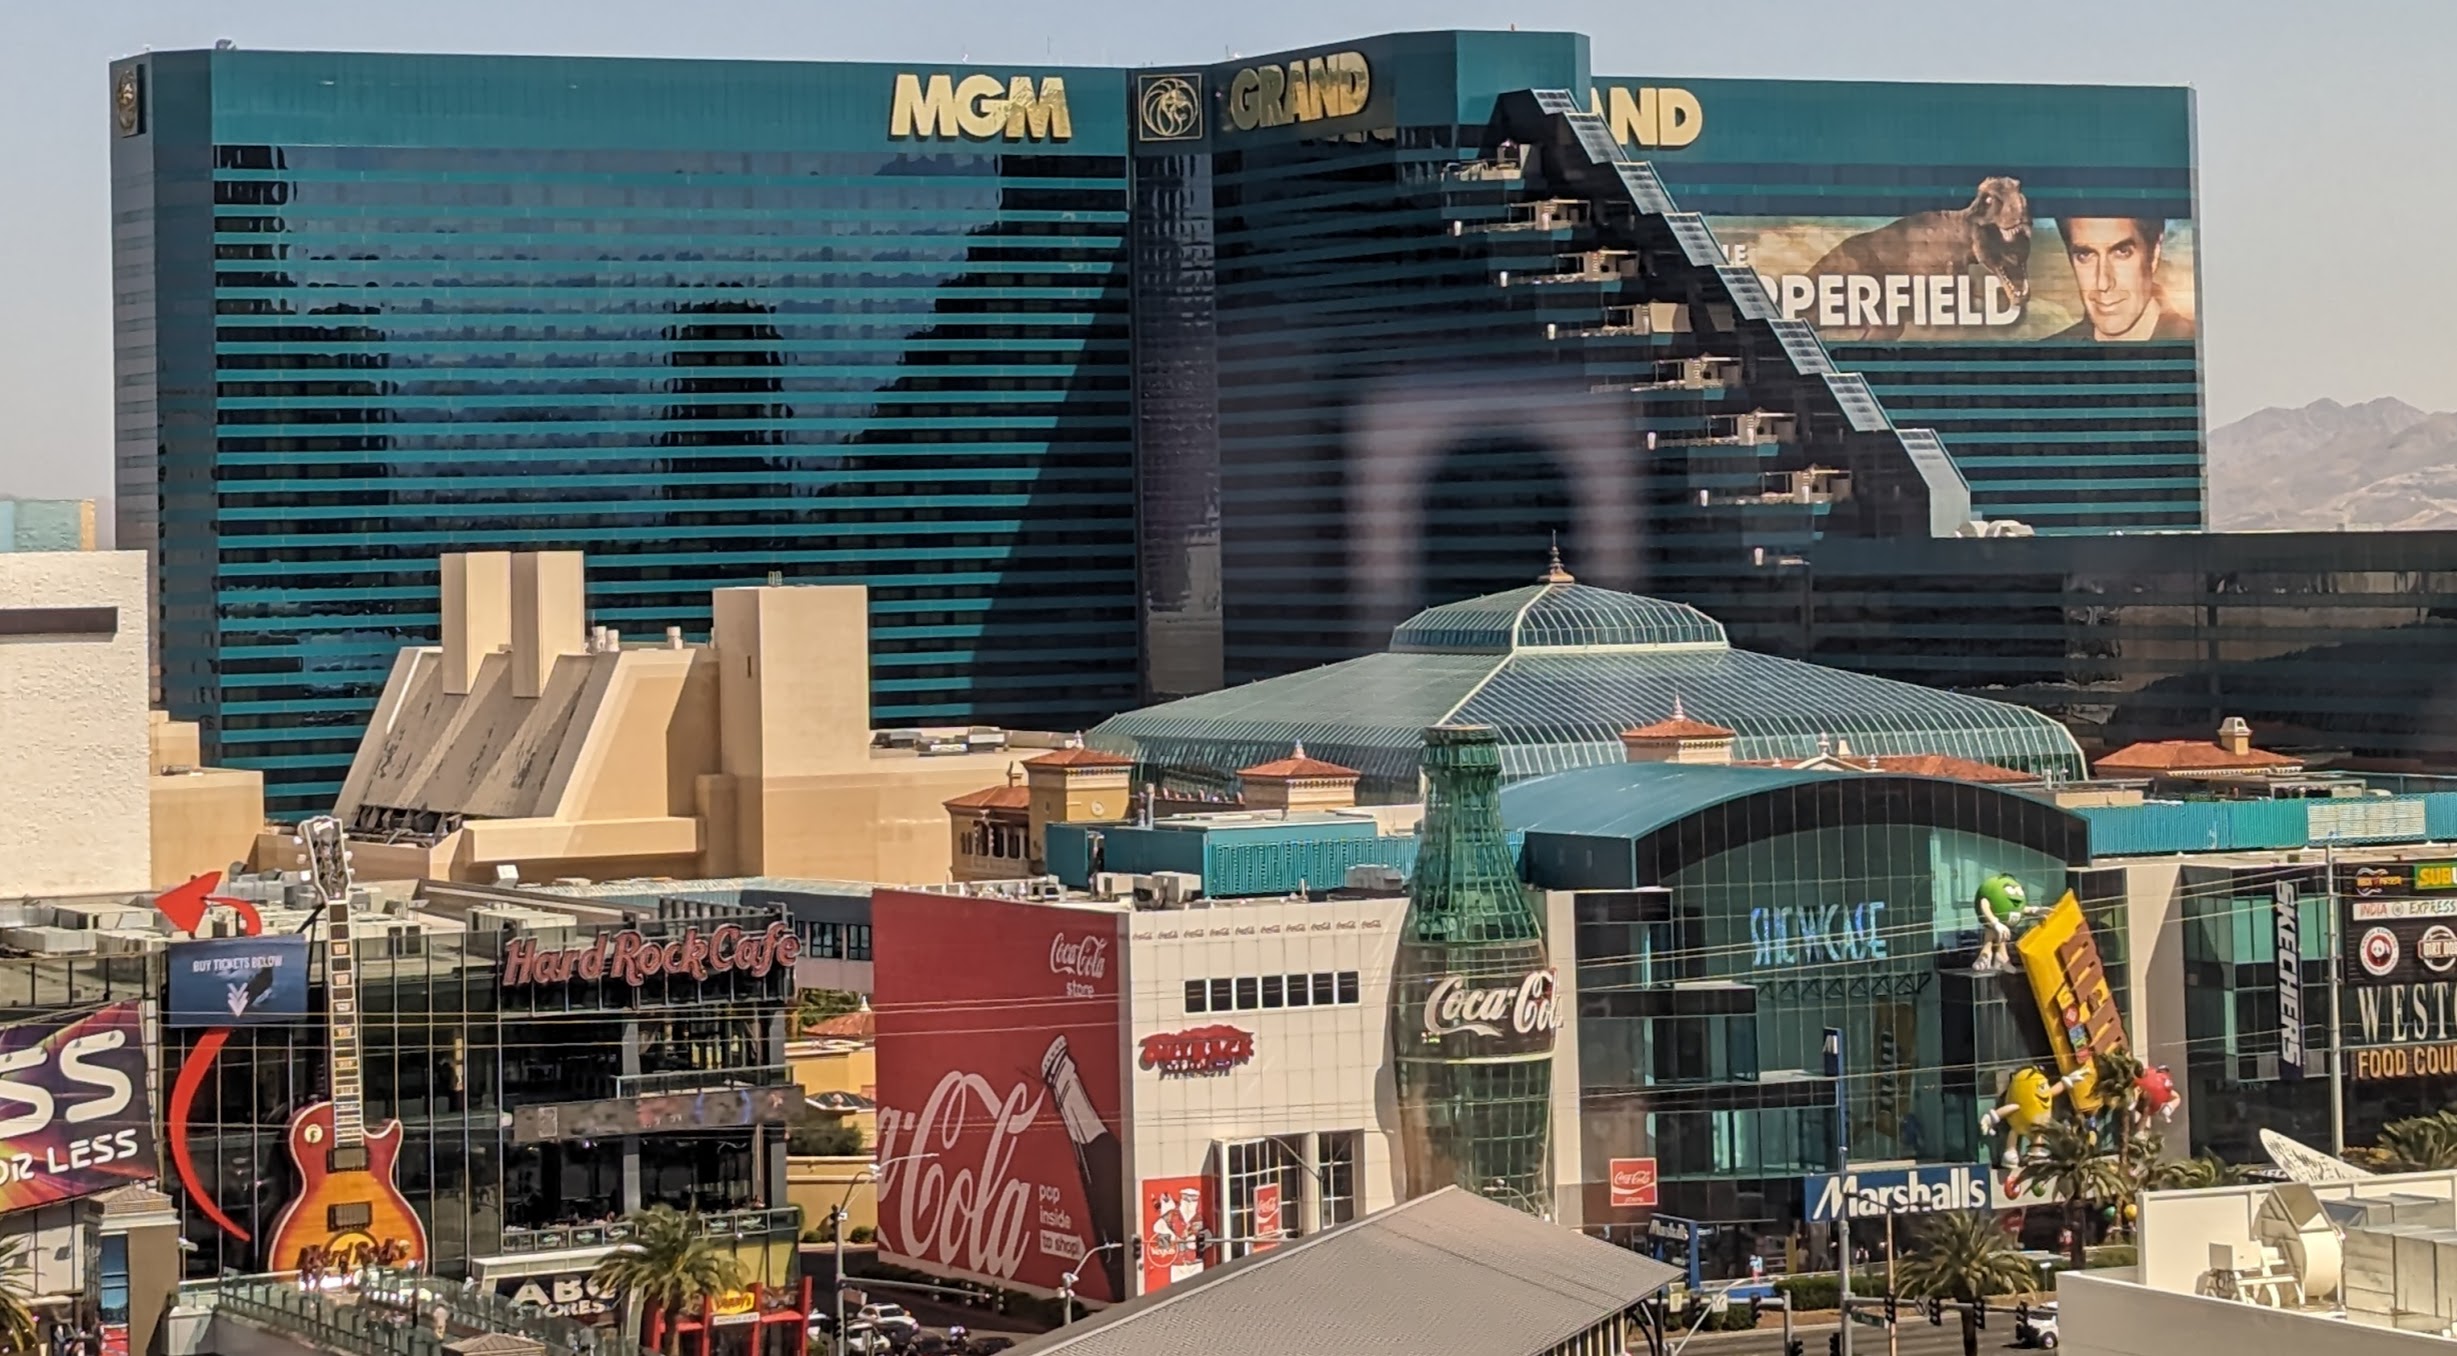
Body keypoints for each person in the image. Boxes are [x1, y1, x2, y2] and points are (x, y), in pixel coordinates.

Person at [2054, 217, 2194, 341]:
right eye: (2085, 255)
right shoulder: (2048, 356)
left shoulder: (2202, 346)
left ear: (2154, 253)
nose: (2103, 283)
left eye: (2122, 252)